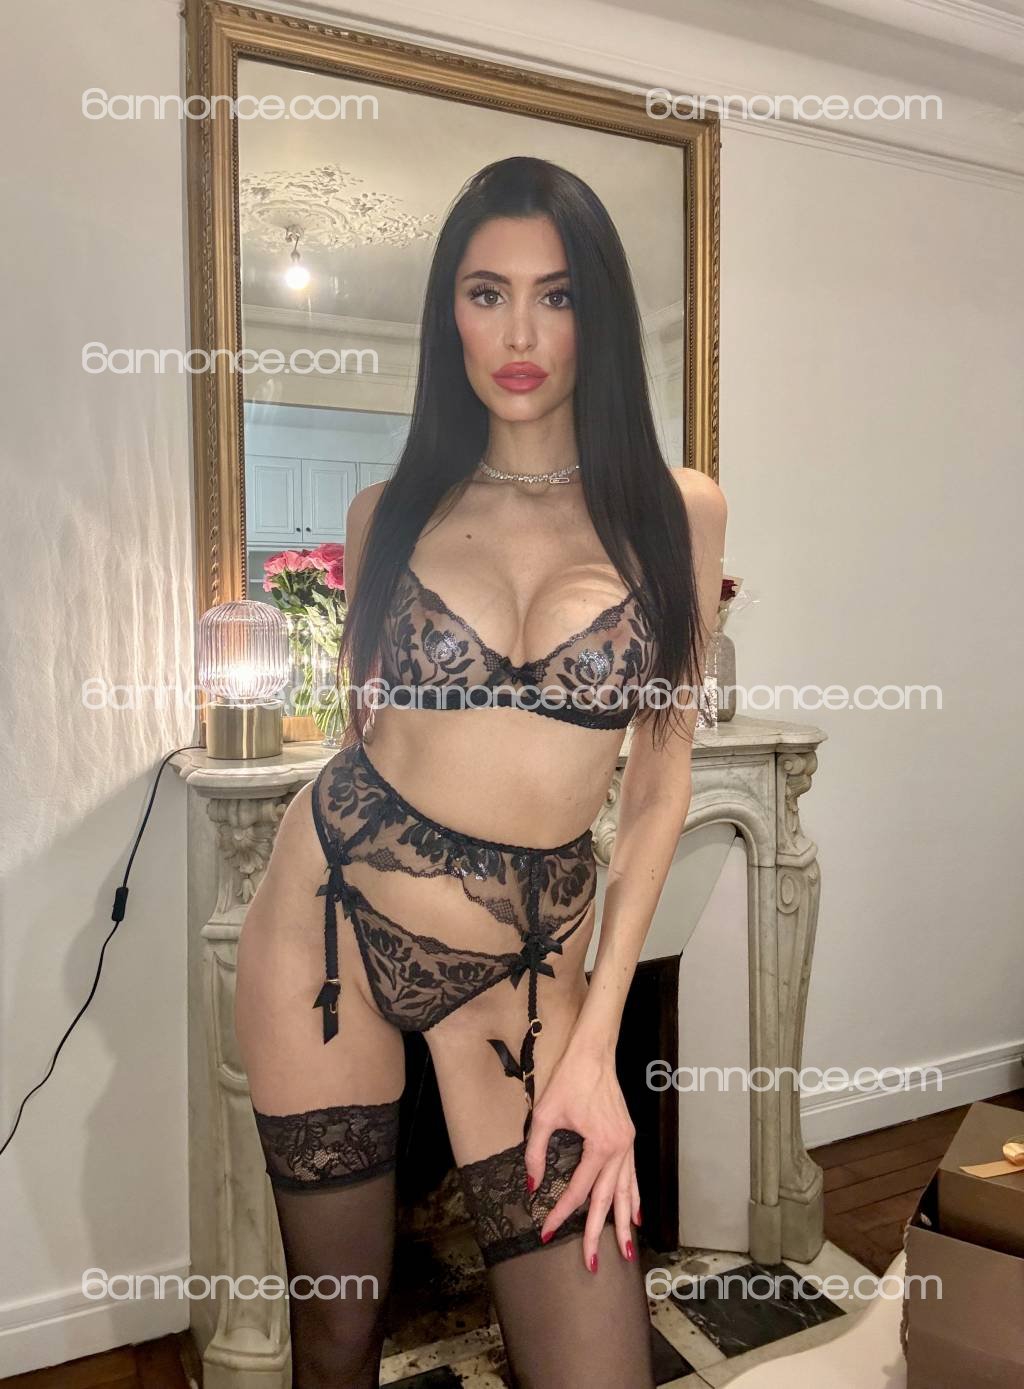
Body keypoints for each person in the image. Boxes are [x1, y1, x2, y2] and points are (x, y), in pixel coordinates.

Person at [235, 154, 727, 1389]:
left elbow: (656, 786)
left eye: (556, 296)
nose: (518, 334)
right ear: (446, 311)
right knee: (336, 1337)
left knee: (594, 1370)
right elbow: (364, 727)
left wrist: (597, 1044)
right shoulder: (386, 510)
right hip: (327, 924)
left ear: (597, 317)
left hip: (528, 971)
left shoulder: (677, 512)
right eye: (484, 292)